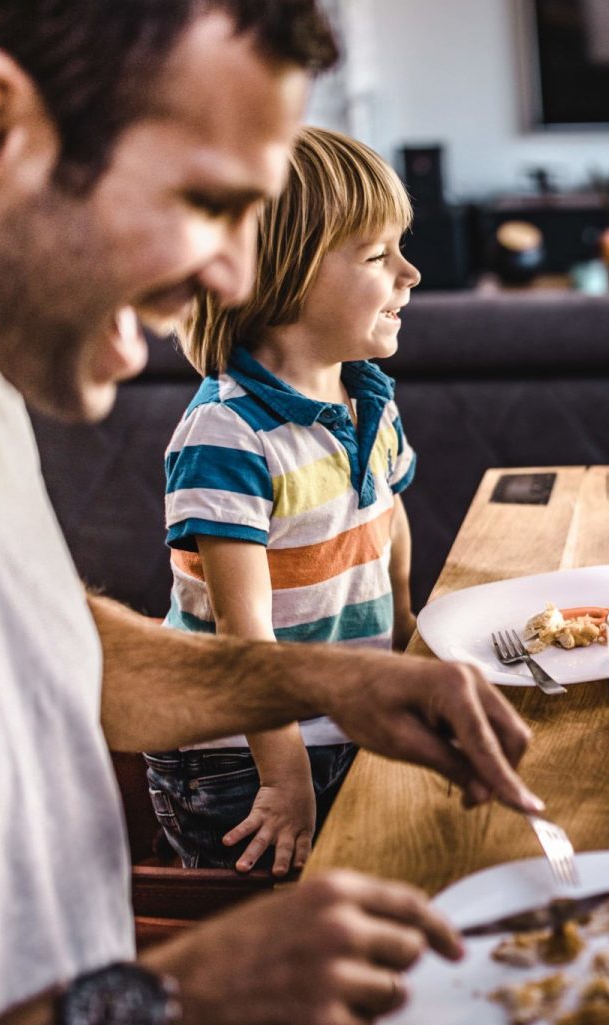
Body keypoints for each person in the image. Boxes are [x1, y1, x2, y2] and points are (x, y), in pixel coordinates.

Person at [0, 2, 542, 1025]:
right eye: (206, 201)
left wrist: (330, 681)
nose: (229, 275)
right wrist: (166, 1009)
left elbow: (54, 650)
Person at [147, 126, 423, 875]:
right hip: (242, 757)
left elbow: (385, 519)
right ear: (283, 276)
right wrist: (284, 776)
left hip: (339, 719)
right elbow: (245, 632)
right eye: (377, 256)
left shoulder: (366, 395)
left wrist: (404, 637)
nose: (412, 273)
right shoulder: (227, 433)